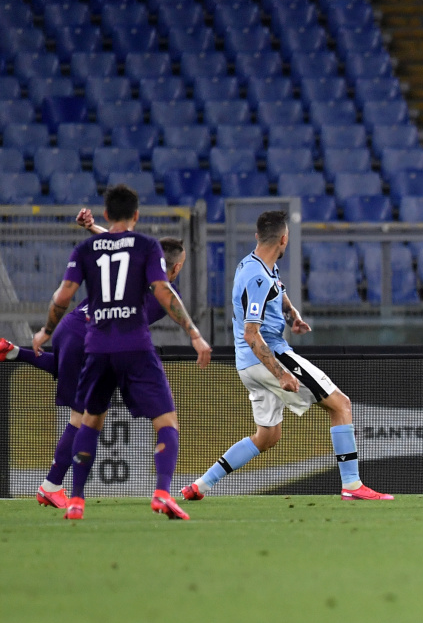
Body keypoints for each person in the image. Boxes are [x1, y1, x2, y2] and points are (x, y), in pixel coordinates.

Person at [181, 210, 392, 501]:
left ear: (258, 237)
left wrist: (291, 312)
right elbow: (251, 333)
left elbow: (276, 289)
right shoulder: (259, 279)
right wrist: (282, 374)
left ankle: (199, 486)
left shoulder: (252, 263)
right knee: (341, 405)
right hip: (269, 356)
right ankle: (352, 485)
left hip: (246, 365)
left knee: (267, 437)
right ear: (284, 239)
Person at [32, 185, 211, 520]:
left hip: (96, 346)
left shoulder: (87, 250)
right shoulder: (147, 246)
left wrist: (45, 330)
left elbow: (63, 295)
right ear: (137, 215)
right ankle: (161, 493)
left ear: (108, 213)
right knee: (166, 421)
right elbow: (162, 290)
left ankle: (75, 500)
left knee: (89, 420)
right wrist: (195, 335)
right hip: (135, 346)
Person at [0, 210, 189, 509]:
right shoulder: (166, 290)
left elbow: (111, 242)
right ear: (176, 267)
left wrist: (91, 227)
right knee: (81, 418)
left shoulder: (130, 265)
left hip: (69, 327)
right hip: (95, 340)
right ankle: (51, 486)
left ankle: (13, 352)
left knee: (69, 378)